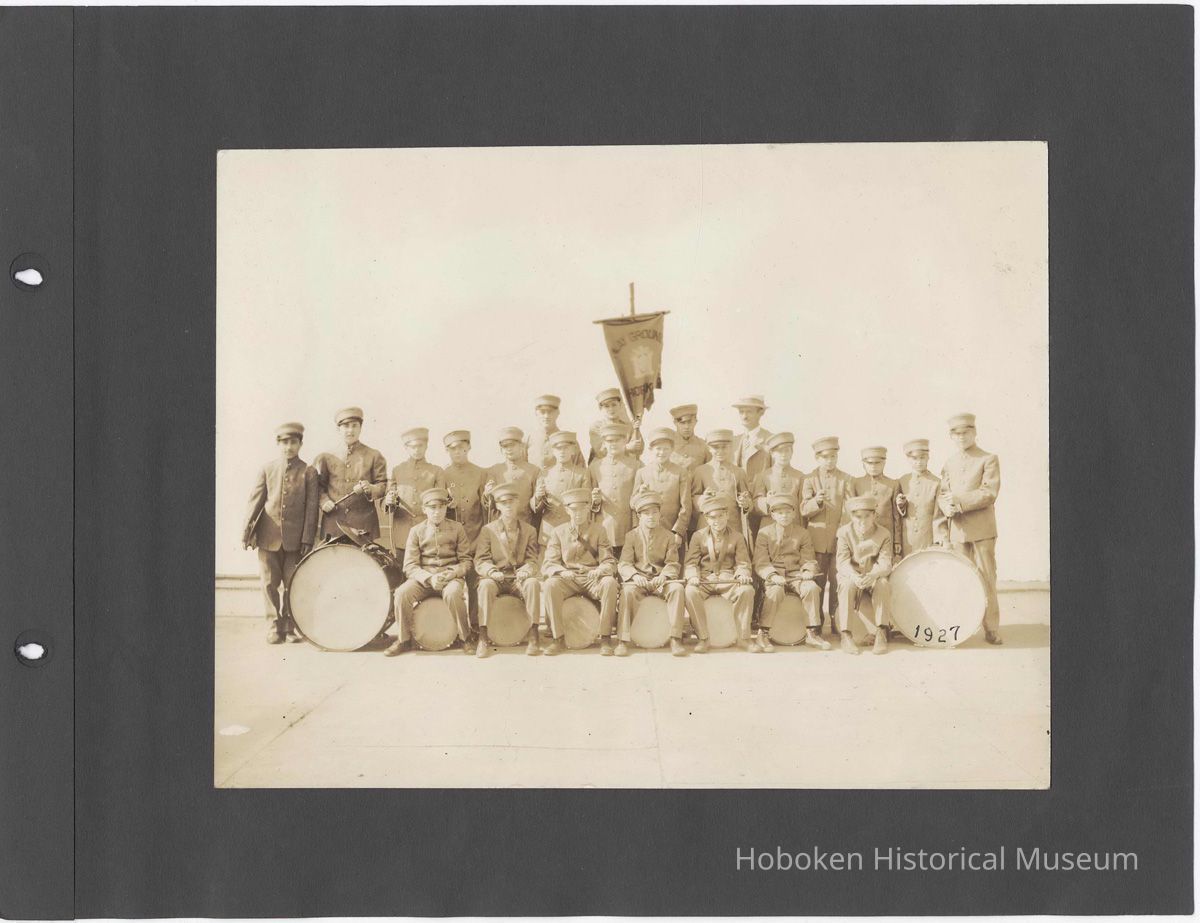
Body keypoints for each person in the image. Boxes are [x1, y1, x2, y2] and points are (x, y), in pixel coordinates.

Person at [242, 422, 319, 644]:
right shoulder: (267, 469)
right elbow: (255, 502)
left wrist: (307, 538)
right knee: (269, 583)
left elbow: (312, 508)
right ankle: (274, 626)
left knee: (293, 583)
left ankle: (290, 626)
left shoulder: (309, 472)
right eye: (284, 442)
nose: (289, 447)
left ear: (300, 444)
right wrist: (246, 532)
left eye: (293, 442)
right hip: (268, 537)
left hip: (296, 541)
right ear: (278, 444)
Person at [937, 412, 1003, 644]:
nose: (961, 437)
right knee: (961, 579)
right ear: (951, 437)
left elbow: (989, 492)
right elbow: (943, 493)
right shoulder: (949, 463)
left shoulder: (988, 459)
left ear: (975, 432)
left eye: (966, 432)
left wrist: (959, 501)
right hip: (957, 531)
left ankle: (991, 628)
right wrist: (946, 506)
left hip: (982, 530)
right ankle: (963, 625)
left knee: (987, 578)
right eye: (956, 434)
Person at [385, 488, 473, 657]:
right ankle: (403, 640)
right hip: (424, 580)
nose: (437, 512)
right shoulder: (416, 531)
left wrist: (452, 573)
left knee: (453, 593)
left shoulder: (457, 528)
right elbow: (409, 565)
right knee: (402, 593)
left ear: (446, 508)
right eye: (432, 507)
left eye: (441, 507)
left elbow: (466, 561)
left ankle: (465, 638)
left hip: (450, 578)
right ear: (424, 509)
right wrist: (429, 578)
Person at [540, 487, 619, 656]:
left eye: (582, 509)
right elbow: (549, 563)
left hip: (592, 578)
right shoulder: (558, 532)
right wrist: (561, 572)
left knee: (610, 583)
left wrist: (600, 570)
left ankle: (605, 638)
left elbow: (609, 561)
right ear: (567, 510)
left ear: (589, 508)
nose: (578, 514)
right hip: (569, 579)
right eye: (574, 509)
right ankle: (558, 638)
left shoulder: (599, 530)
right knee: (550, 585)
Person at [474, 483, 542, 657]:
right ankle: (483, 636)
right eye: (504, 503)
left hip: (518, 579)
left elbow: (533, 560)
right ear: (497, 506)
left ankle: (534, 634)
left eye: (511, 502)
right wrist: (491, 572)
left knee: (533, 583)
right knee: (485, 586)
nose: (508, 506)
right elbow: (481, 560)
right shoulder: (488, 530)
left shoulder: (529, 530)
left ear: (518, 503)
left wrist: (527, 570)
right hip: (497, 578)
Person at [753, 493, 828, 651]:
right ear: (772, 515)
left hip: (795, 575)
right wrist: (772, 575)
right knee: (774, 591)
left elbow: (808, 558)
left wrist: (807, 570)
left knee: (811, 588)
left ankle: (812, 633)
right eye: (780, 512)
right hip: (774, 575)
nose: (784, 516)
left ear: (794, 513)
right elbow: (761, 561)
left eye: (788, 512)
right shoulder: (764, 533)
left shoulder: (803, 533)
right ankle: (763, 633)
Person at [683, 494, 756, 653]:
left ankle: (744, 638)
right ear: (707, 519)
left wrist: (742, 574)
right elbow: (691, 562)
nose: (717, 521)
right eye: (713, 517)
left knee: (747, 590)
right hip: (705, 580)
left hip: (728, 580)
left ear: (727, 515)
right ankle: (703, 638)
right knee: (689, 592)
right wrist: (693, 576)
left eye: (721, 516)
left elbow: (743, 562)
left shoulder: (737, 537)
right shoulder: (698, 536)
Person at [618, 492, 688, 657]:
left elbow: (672, 563)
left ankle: (675, 638)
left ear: (659, 514)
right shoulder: (631, 536)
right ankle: (623, 640)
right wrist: (635, 576)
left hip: (661, 582)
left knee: (677, 589)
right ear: (639, 516)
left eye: (654, 512)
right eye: (646, 513)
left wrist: (664, 576)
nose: (651, 517)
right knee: (627, 592)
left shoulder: (669, 536)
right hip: (639, 581)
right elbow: (624, 563)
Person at [801, 436, 853, 631]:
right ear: (817, 458)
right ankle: (816, 623)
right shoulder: (809, 479)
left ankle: (837, 622)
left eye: (833, 456)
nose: (830, 460)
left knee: (837, 580)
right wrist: (817, 501)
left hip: (839, 541)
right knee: (817, 581)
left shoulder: (846, 479)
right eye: (825, 457)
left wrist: (842, 533)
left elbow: (849, 509)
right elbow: (804, 510)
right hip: (816, 541)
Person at [314, 406, 388, 542]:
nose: (350, 430)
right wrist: (324, 501)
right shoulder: (325, 457)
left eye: (354, 426)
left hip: (363, 525)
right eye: (346, 426)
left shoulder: (374, 455)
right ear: (338, 429)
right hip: (333, 523)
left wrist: (371, 488)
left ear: (360, 428)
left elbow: (383, 485)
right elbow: (317, 486)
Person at [835, 495, 894, 655]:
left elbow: (885, 562)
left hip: (873, 575)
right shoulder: (844, 533)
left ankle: (881, 632)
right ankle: (846, 635)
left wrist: (874, 575)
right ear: (851, 516)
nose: (862, 521)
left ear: (874, 515)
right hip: (851, 575)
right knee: (846, 585)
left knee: (883, 584)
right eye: (858, 516)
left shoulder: (884, 534)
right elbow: (842, 562)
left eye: (867, 516)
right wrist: (854, 576)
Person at [383, 427, 445, 567]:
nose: (417, 450)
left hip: (427, 533)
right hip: (402, 533)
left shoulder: (436, 471)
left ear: (426, 446)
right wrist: (389, 501)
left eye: (420, 446)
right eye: (412, 447)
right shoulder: (397, 470)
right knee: (402, 572)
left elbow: (440, 501)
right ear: (406, 448)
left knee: (427, 570)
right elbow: (388, 498)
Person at [589, 421, 641, 558]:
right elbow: (589, 502)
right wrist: (595, 501)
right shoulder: (595, 467)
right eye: (609, 440)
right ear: (604, 443)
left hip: (628, 527)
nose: (613, 444)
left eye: (617, 440)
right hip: (604, 528)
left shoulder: (636, 466)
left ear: (625, 441)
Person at [630, 427, 691, 542]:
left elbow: (686, 506)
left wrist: (678, 532)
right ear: (651, 449)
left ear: (672, 449)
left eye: (666, 449)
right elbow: (632, 504)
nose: (662, 453)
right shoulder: (642, 472)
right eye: (658, 449)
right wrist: (640, 495)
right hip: (648, 533)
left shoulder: (681, 472)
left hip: (672, 532)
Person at [531, 430, 592, 545]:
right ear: (553, 451)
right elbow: (537, 508)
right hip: (549, 531)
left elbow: (587, 502)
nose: (562, 452)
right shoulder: (545, 473)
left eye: (566, 448)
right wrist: (538, 497)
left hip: (572, 531)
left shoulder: (582, 473)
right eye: (558, 448)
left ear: (573, 450)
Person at [688, 429, 751, 536]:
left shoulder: (739, 472)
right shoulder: (700, 471)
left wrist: (745, 503)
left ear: (730, 447)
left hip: (733, 527)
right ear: (709, 448)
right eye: (716, 447)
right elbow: (693, 498)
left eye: (724, 447)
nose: (720, 451)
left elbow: (748, 498)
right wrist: (703, 498)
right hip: (707, 527)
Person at [895, 438, 948, 556]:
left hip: (927, 538)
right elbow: (897, 515)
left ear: (928, 457)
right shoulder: (903, 481)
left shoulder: (936, 483)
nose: (919, 462)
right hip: (907, 539)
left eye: (922, 457)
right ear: (908, 459)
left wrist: (939, 538)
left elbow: (939, 515)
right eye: (914, 458)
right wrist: (901, 505)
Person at [482, 426, 540, 526]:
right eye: (505, 446)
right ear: (501, 449)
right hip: (500, 526)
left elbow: (537, 503)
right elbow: (489, 505)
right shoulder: (494, 470)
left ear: (521, 446)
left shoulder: (533, 470)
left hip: (525, 525)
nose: (509, 449)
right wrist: (486, 494)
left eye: (512, 445)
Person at [751, 431, 805, 538]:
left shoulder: (800, 476)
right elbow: (755, 505)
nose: (784, 455)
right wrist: (766, 501)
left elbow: (802, 507)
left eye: (787, 450)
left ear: (792, 452)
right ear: (772, 454)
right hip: (769, 532)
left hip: (794, 531)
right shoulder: (763, 476)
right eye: (779, 451)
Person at [441, 430, 487, 550]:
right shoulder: (442, 474)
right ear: (447, 450)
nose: (457, 452)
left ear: (469, 447)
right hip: (451, 541)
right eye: (452, 448)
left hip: (476, 538)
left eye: (461, 447)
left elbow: (485, 509)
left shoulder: (480, 473)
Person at [852, 446, 902, 556]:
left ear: (884, 463)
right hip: (863, 536)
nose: (873, 466)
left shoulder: (893, 484)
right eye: (870, 463)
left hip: (886, 535)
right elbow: (851, 514)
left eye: (877, 463)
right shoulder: (856, 483)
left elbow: (896, 515)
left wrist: (897, 540)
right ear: (863, 464)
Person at [525, 394, 583, 470]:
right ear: (536, 413)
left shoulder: (568, 439)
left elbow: (580, 469)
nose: (546, 416)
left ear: (557, 413)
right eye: (542, 412)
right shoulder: (528, 439)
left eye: (550, 412)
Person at [587, 387, 643, 462]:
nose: (611, 409)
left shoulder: (628, 426)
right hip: (604, 465)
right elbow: (601, 452)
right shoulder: (596, 427)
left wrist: (637, 429)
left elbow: (639, 450)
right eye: (607, 406)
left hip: (625, 464)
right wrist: (626, 448)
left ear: (620, 405)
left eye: (614, 405)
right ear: (601, 408)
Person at [732, 395, 773, 484]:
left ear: (761, 413)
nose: (744, 416)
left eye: (749, 412)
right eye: (741, 412)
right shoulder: (734, 441)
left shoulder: (770, 440)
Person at [668, 403, 711, 471]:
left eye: (690, 422)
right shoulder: (668, 444)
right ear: (675, 423)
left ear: (695, 422)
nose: (686, 427)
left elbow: (709, 471)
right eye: (682, 423)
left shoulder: (703, 445)